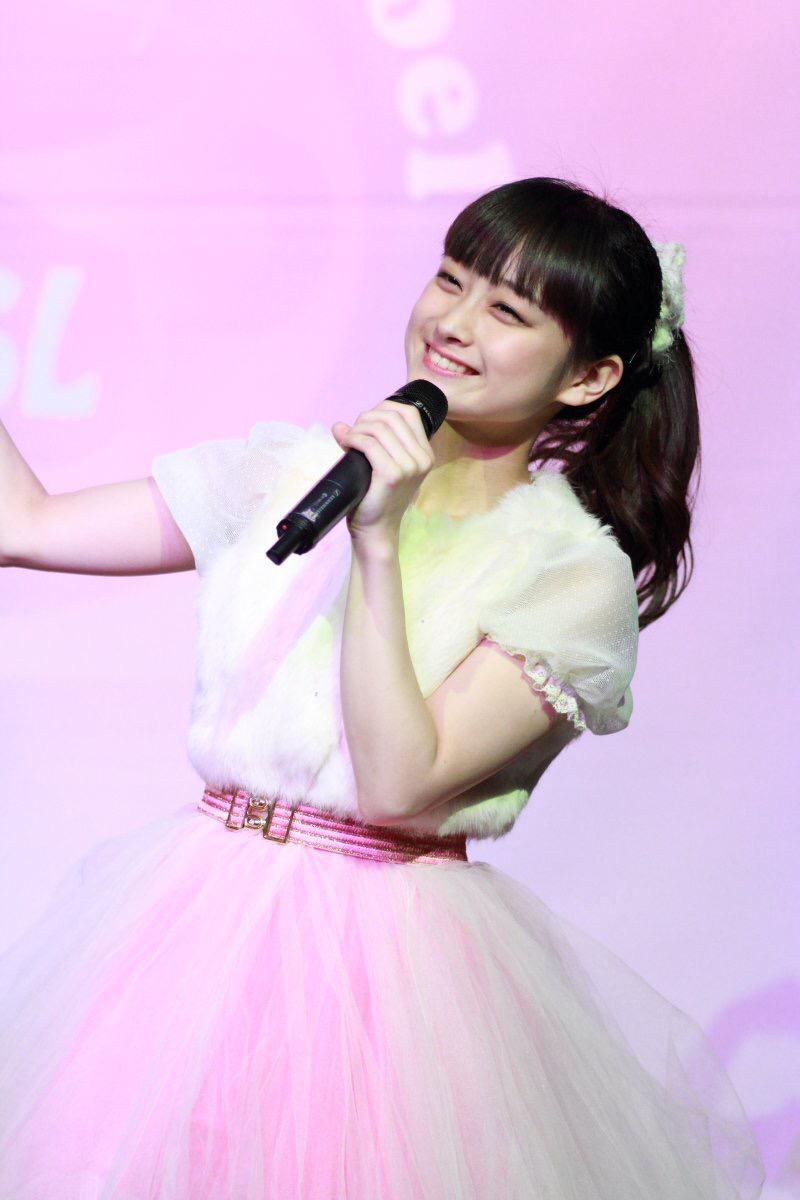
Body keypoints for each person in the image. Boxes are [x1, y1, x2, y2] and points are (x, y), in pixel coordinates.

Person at [0, 177, 764, 1199]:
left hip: (387, 976)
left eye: (507, 310)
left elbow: (401, 784)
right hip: (191, 928)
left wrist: (377, 542)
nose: (454, 321)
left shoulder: (569, 574)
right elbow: (27, 525)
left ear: (588, 378)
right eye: (450, 279)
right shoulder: (290, 469)